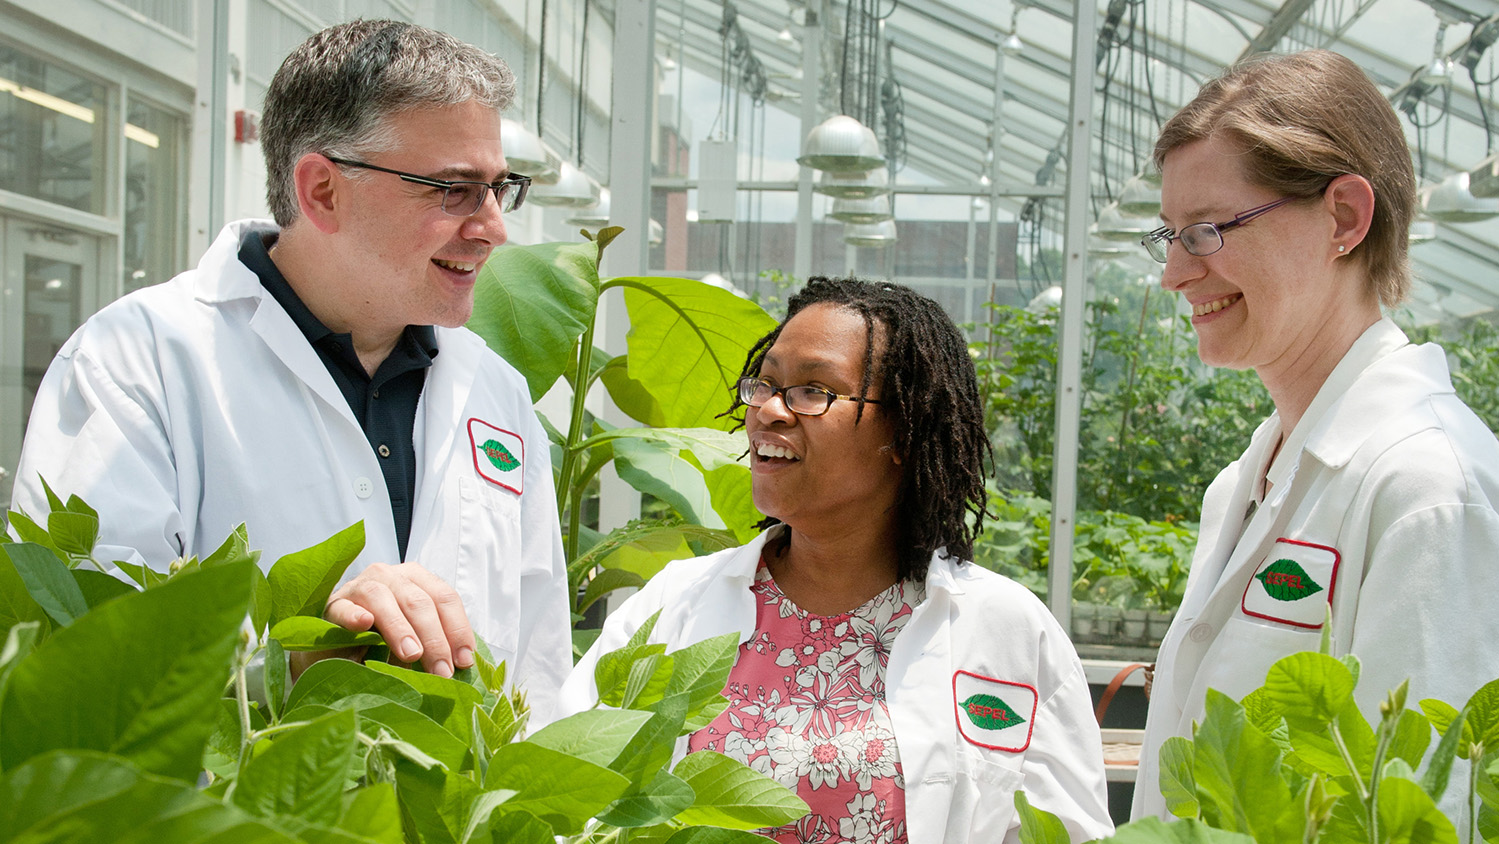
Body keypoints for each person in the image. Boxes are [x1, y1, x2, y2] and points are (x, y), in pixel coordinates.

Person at [9, 21, 571, 719]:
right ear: (323, 191)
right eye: (453, 190)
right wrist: (295, 660)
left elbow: (538, 664)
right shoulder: (141, 361)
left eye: (499, 187)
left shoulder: (494, 392)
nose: (493, 226)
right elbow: (80, 639)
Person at [560, 278, 1113, 843]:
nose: (770, 410)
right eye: (766, 383)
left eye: (813, 390)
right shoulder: (675, 603)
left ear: (903, 431)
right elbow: (568, 783)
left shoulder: (1006, 631)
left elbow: (1068, 831)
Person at [1132, 50, 1499, 823]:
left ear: (1343, 218)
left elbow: (1426, 819)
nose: (1172, 272)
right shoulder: (1244, 482)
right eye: (1167, 234)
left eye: (1204, 231)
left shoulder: (1426, 488)